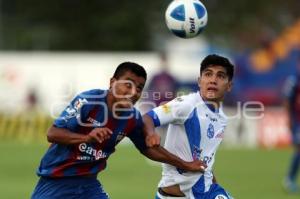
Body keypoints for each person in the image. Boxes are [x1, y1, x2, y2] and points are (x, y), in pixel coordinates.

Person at [31, 62, 206, 199]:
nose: (133, 92)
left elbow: (148, 149)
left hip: (89, 185)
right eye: (128, 85)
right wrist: (87, 138)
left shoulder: (131, 117)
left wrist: (185, 164)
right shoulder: (88, 101)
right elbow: (53, 134)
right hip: (55, 182)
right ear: (112, 82)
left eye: (139, 88)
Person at [143, 54, 235, 199]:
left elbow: (205, 160)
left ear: (229, 85)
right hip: (172, 195)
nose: (213, 80)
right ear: (200, 81)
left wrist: (215, 184)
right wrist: (150, 134)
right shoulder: (187, 105)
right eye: (208, 74)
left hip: (204, 192)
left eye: (220, 76)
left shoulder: (222, 118)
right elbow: (147, 118)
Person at [282, 69, 300, 193]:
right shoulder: (294, 79)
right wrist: (288, 118)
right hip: (297, 121)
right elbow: (287, 100)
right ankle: (289, 179)